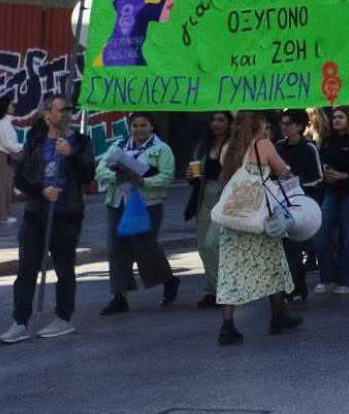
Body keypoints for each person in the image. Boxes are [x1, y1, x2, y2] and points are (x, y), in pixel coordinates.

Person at [0, 95, 94, 344]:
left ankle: (64, 317)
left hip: (66, 215)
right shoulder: (36, 140)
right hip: (36, 214)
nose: (65, 115)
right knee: (27, 268)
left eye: (68, 111)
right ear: (47, 114)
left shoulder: (81, 141)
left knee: (64, 268)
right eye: (61, 110)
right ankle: (20, 321)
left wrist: (70, 153)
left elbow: (88, 174)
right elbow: (20, 177)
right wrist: (41, 190)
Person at [214, 111, 300, 346]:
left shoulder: (228, 148)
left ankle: (227, 325)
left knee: (231, 270)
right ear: (258, 124)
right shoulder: (263, 145)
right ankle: (278, 314)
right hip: (257, 217)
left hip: (234, 217)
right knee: (272, 261)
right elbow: (283, 171)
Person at [96, 112, 179, 316]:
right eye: (135, 125)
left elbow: (167, 177)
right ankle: (119, 295)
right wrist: (116, 176)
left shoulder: (161, 149)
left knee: (145, 246)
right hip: (118, 202)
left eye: (144, 125)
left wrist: (144, 181)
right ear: (130, 127)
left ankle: (168, 280)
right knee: (117, 248)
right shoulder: (119, 147)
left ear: (151, 127)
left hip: (147, 203)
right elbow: (100, 169)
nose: (139, 129)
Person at [314, 107, 349, 296]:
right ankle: (327, 277)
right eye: (334, 117)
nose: (336, 120)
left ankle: (348, 280)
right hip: (331, 190)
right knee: (322, 233)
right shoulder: (328, 141)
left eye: (340, 117)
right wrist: (327, 174)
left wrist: (344, 176)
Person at [184, 111, 231, 307]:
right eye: (213, 120)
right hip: (205, 195)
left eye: (221, 120)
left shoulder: (234, 146)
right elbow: (194, 175)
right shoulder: (202, 147)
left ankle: (224, 290)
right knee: (203, 246)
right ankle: (212, 289)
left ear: (229, 123)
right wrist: (190, 176)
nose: (216, 124)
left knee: (214, 244)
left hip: (226, 196)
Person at [275, 109, 322, 302]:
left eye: (288, 123)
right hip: (280, 202)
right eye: (283, 123)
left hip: (302, 204)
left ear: (299, 126)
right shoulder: (278, 147)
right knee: (284, 247)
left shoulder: (309, 148)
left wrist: (298, 182)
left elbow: (319, 178)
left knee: (292, 247)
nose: (284, 127)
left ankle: (294, 288)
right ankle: (295, 286)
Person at [0, 95, 20, 225]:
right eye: (11, 104)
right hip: (2, 156)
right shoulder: (1, 123)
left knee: (7, 187)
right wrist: (21, 147)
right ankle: (2, 216)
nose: (13, 107)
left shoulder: (6, 122)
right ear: (5, 106)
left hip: (6, 156)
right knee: (2, 188)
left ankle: (5, 215)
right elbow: (7, 143)